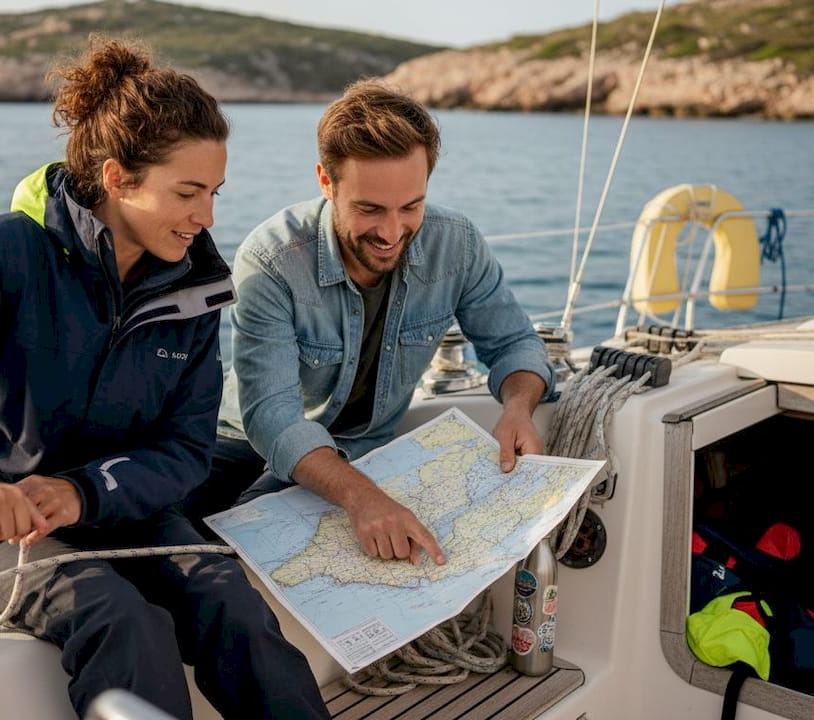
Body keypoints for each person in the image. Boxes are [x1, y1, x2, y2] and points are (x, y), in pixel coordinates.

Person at [0, 36, 328, 720]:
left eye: (214, 193)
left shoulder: (194, 292)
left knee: (231, 603)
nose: (207, 218)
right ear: (119, 178)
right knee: (119, 617)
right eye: (188, 193)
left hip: (117, 508)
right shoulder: (4, 252)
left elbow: (185, 450)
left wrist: (82, 492)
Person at [183, 79, 555, 567]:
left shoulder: (457, 245)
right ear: (325, 181)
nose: (392, 231)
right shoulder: (272, 258)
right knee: (179, 543)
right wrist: (363, 499)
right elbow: (274, 419)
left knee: (244, 552)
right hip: (239, 438)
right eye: (369, 209)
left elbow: (514, 344)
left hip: (363, 449)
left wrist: (518, 406)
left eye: (411, 206)